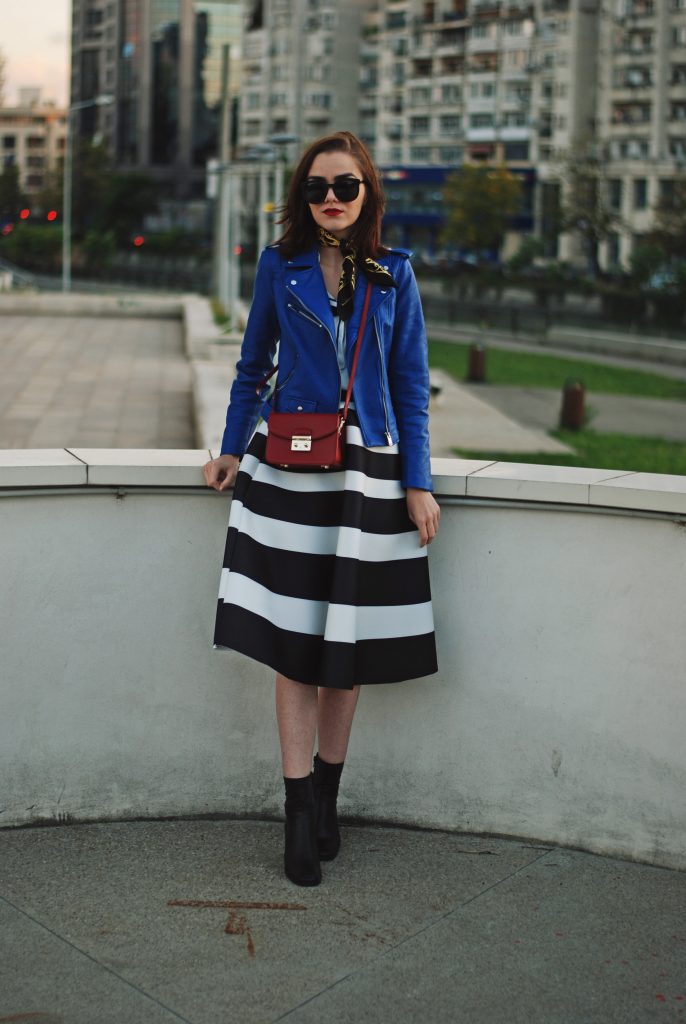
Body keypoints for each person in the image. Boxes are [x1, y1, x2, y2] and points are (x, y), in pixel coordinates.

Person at [203, 130, 440, 887]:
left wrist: (419, 480)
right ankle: (297, 813)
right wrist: (232, 446)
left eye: (344, 185)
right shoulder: (282, 266)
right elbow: (252, 366)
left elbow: (411, 388)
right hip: (290, 473)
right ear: (301, 197)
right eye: (315, 188)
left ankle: (330, 800)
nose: (330, 198)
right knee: (293, 648)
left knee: (346, 653)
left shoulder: (396, 274)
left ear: (368, 192)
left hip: (367, 477)